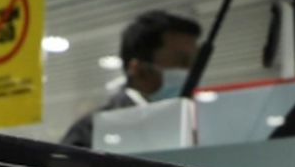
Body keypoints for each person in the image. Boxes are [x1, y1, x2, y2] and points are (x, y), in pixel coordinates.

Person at [61, 11, 201, 148]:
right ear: (138, 70)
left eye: (194, 63)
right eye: (181, 62)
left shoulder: (190, 126)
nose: (190, 73)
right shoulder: (90, 131)